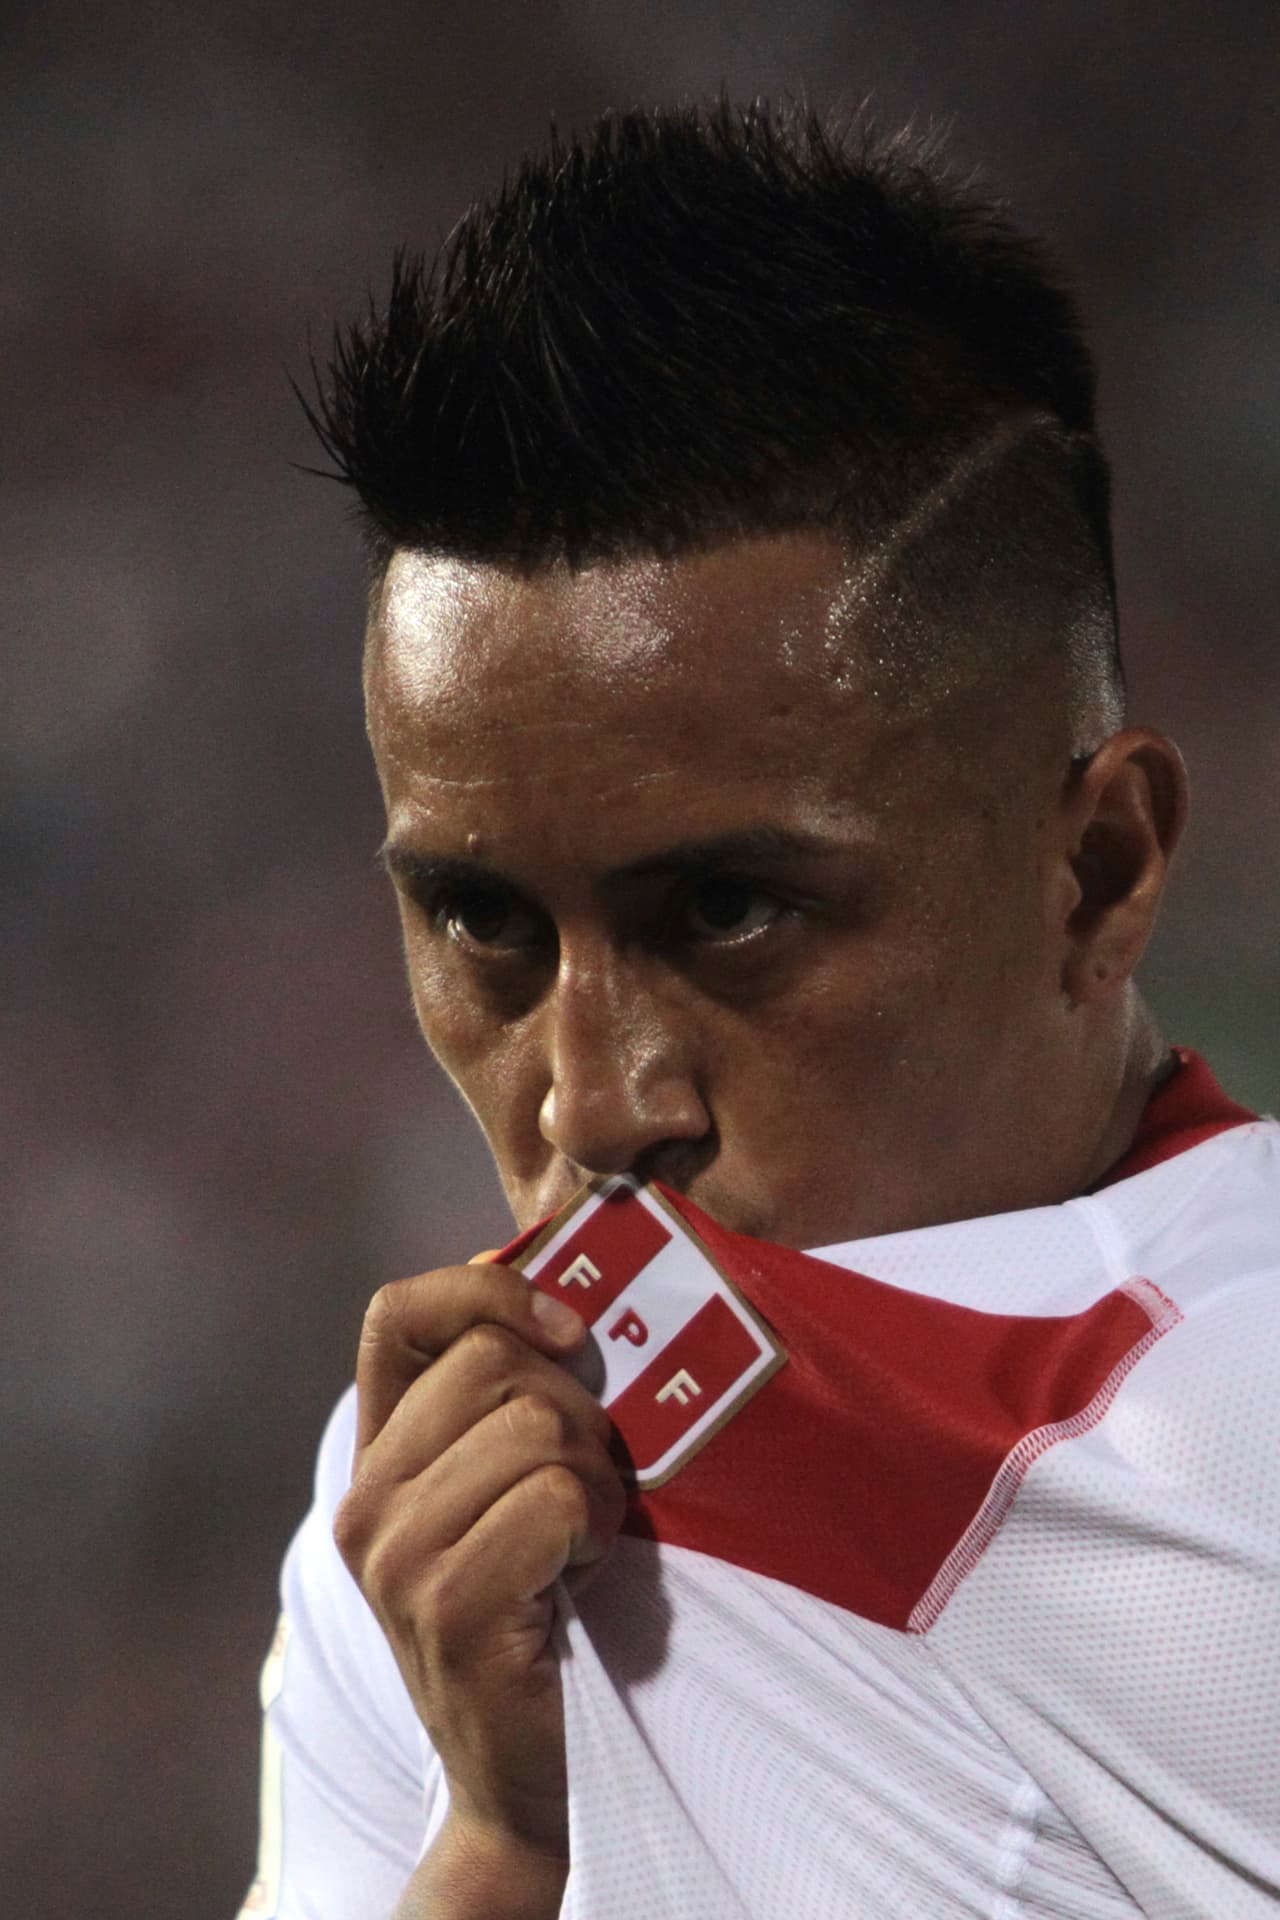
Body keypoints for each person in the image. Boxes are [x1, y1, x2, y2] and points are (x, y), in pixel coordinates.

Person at [241, 102, 1279, 1919]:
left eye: (728, 911)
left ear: (1099, 872)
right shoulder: (423, 1510)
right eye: (482, 922)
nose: (590, 1103)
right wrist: (500, 1847)